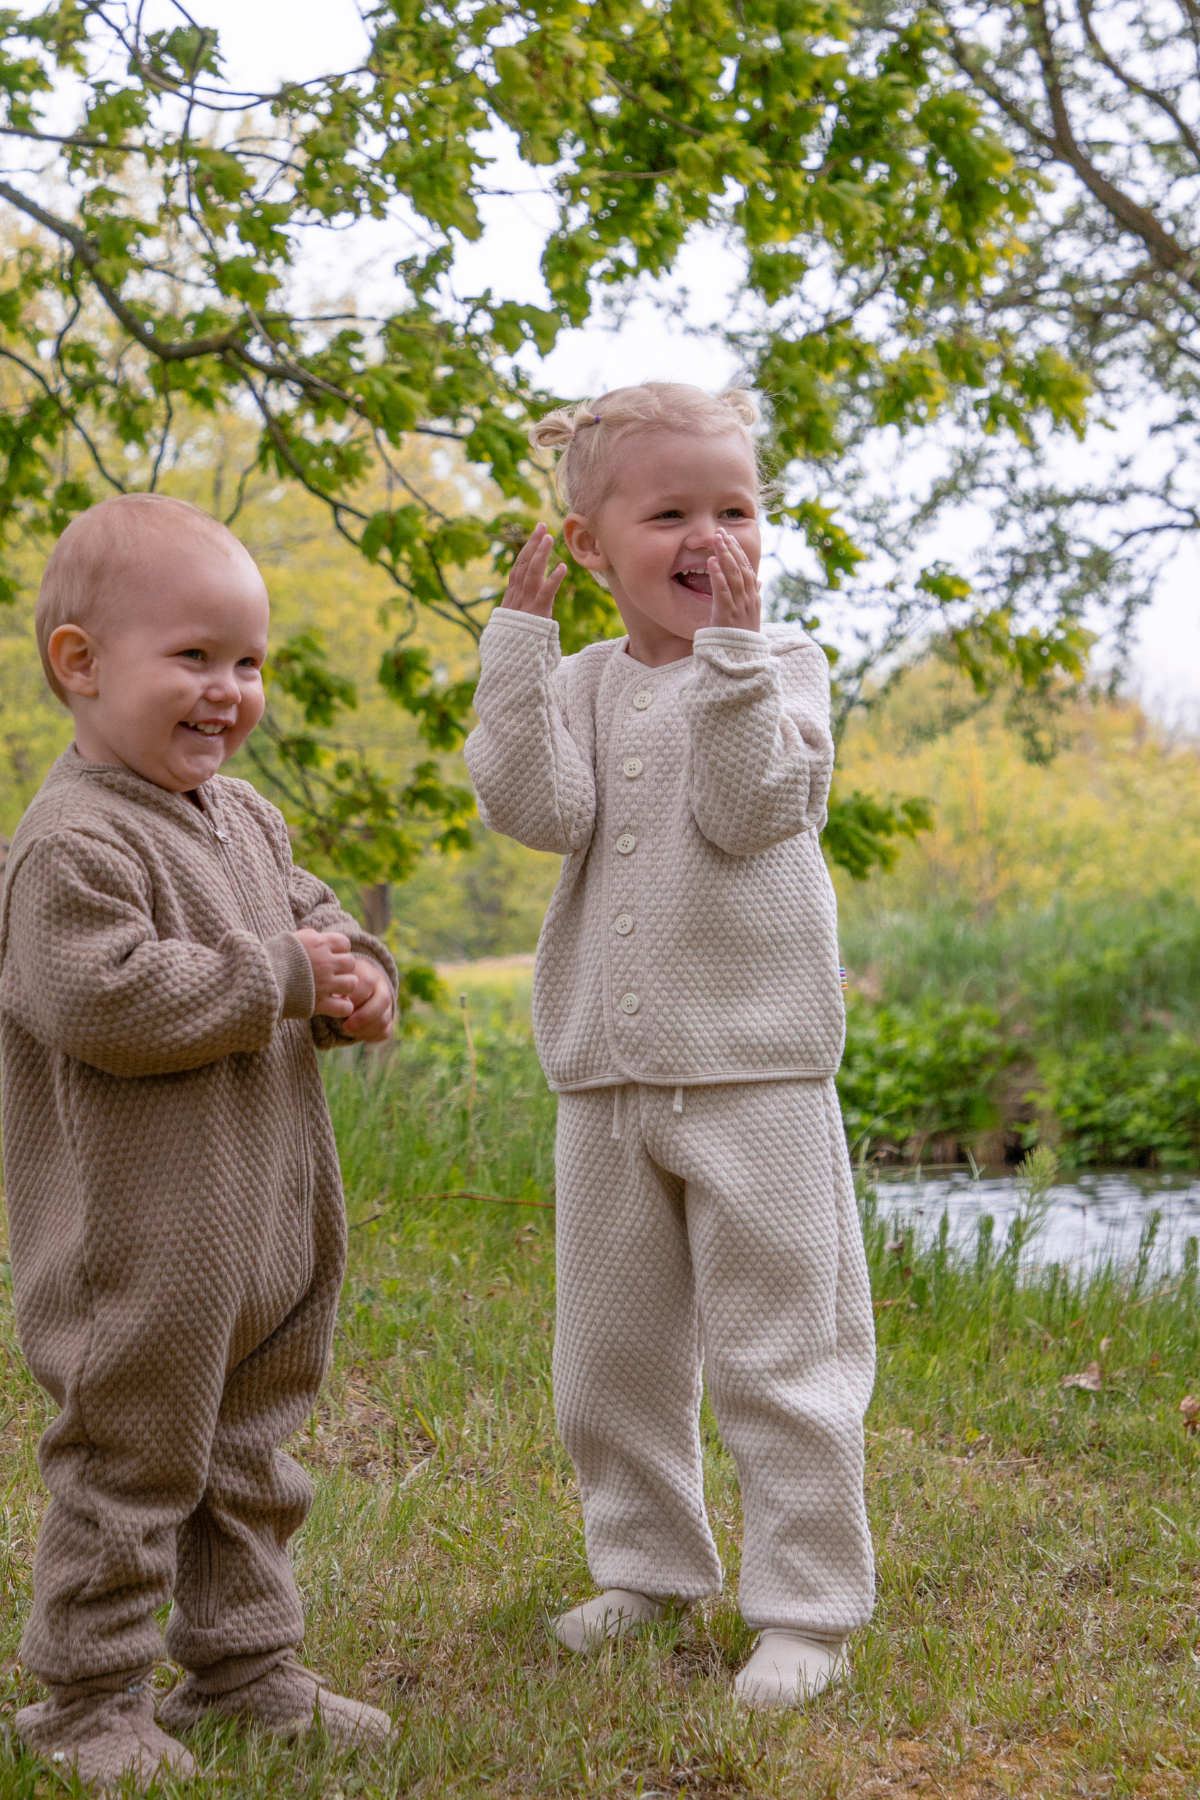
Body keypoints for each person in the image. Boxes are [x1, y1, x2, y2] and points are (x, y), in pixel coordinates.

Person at [464, 382, 875, 1708]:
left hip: (757, 1072)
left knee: (779, 1348)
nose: (715, 536)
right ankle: (647, 1570)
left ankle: (806, 1606)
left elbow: (758, 808)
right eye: (673, 513)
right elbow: (537, 808)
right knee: (611, 1353)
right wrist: (518, 653)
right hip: (607, 1080)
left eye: (738, 508)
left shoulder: (787, 667)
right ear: (591, 547)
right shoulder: (578, 683)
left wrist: (738, 662)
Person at [0, 493, 397, 1791]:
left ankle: (244, 1670)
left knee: (245, 1462)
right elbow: (101, 1001)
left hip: (266, 1232)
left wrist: (355, 982)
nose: (229, 691)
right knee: (132, 1465)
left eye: (248, 662)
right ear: (81, 665)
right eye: (194, 657)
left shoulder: (247, 820)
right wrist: (277, 975)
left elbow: (317, 930)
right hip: (141, 1252)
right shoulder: (70, 847)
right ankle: (88, 1698)